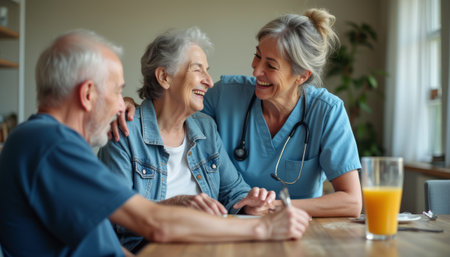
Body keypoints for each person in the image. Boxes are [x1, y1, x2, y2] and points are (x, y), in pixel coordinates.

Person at [0, 29, 311, 257]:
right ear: (88, 94)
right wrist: (265, 228)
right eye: (117, 92)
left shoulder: (48, 143)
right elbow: (153, 225)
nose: (123, 105)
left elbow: (96, 243)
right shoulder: (49, 143)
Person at [115, 8, 362, 218]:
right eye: (257, 56)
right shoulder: (226, 96)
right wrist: (127, 105)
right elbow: (168, 106)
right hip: (233, 225)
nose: (256, 71)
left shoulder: (326, 111)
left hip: (288, 225)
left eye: (271, 65)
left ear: (302, 75)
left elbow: (352, 202)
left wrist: (270, 206)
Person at [98, 27, 276, 252]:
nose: (209, 82)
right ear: (164, 77)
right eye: (198, 70)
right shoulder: (125, 132)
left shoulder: (205, 128)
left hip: (208, 246)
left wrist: (250, 203)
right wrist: (173, 206)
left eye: (207, 71)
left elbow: (233, 191)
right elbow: (115, 217)